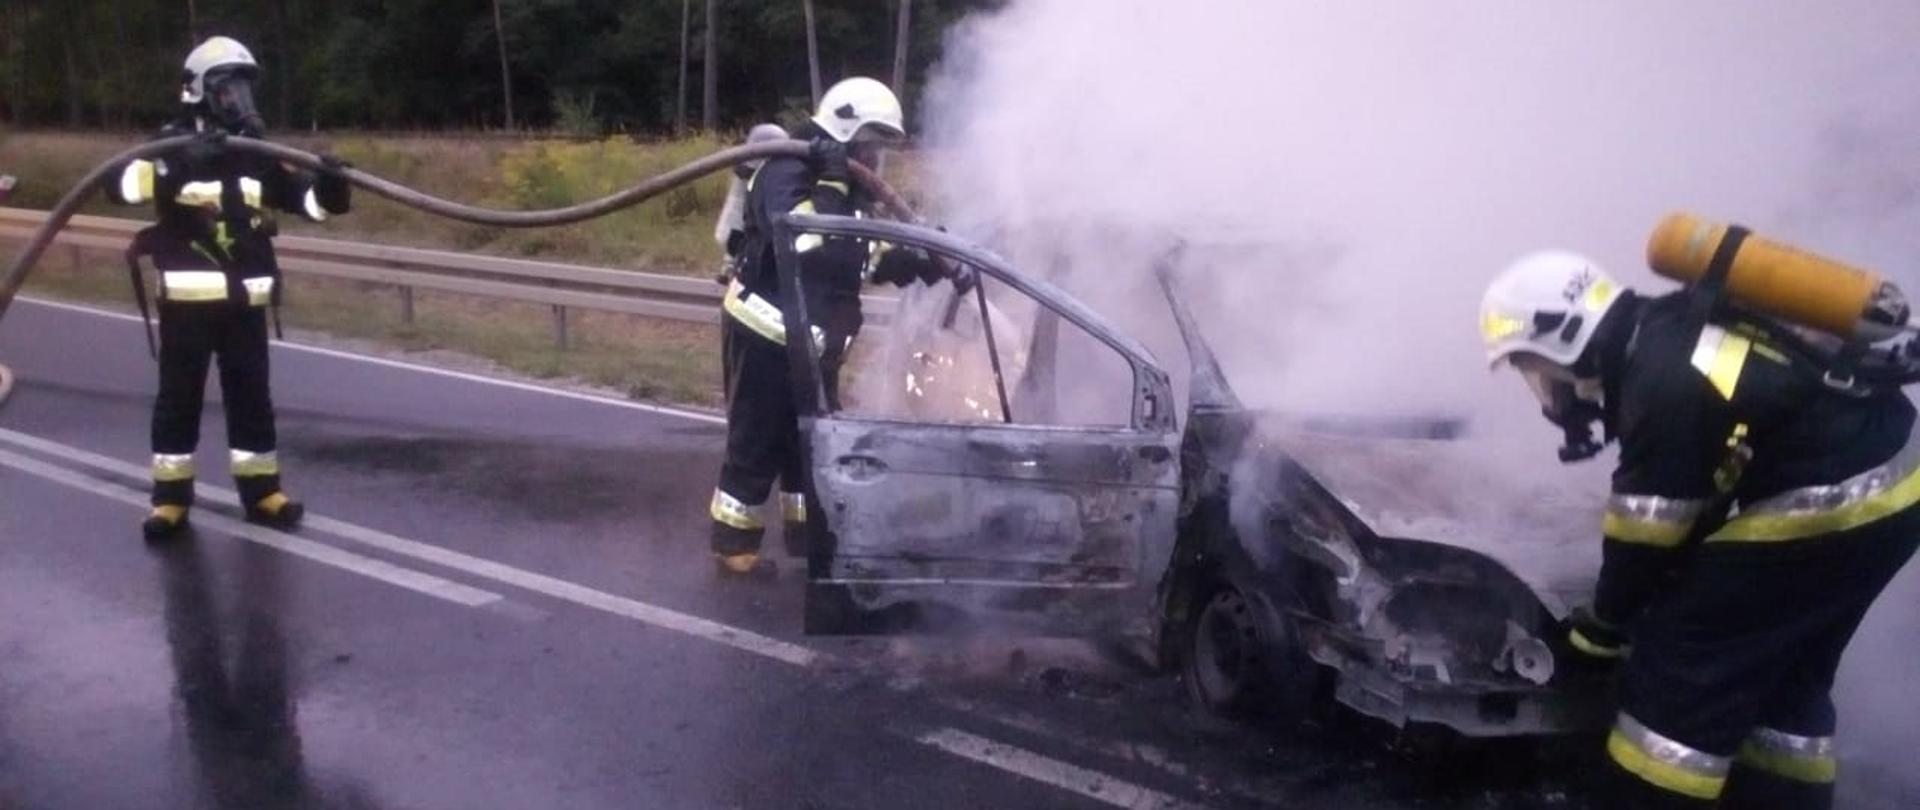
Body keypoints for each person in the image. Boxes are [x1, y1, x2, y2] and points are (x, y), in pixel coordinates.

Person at [1479, 250, 1920, 809]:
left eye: (1533, 366)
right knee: (1784, 675)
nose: (1545, 389)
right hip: (1896, 486)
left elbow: (1646, 534)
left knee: (1682, 658)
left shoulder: (1660, 378)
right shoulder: (1672, 329)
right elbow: (1706, 492)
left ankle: (1649, 796)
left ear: (1562, 337)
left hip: (1842, 499)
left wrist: (1599, 631)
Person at [107, 36, 352, 539]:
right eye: (227, 89)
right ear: (199, 90)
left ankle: (262, 492)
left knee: (252, 400)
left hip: (244, 304)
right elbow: (119, 186)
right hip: (188, 308)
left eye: (244, 89)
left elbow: (303, 202)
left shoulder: (255, 155)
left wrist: (329, 187)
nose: (238, 100)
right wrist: (179, 163)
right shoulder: (169, 143)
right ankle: (170, 499)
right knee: (179, 402)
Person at [709, 77, 944, 576]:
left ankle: (807, 537)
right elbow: (801, 244)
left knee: (810, 446)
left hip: (813, 346)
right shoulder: (785, 168)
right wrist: (832, 186)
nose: (874, 155)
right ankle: (734, 547)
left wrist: (915, 260)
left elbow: (858, 253)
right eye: (869, 141)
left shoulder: (848, 186)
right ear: (844, 128)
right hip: (767, 337)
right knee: (757, 441)